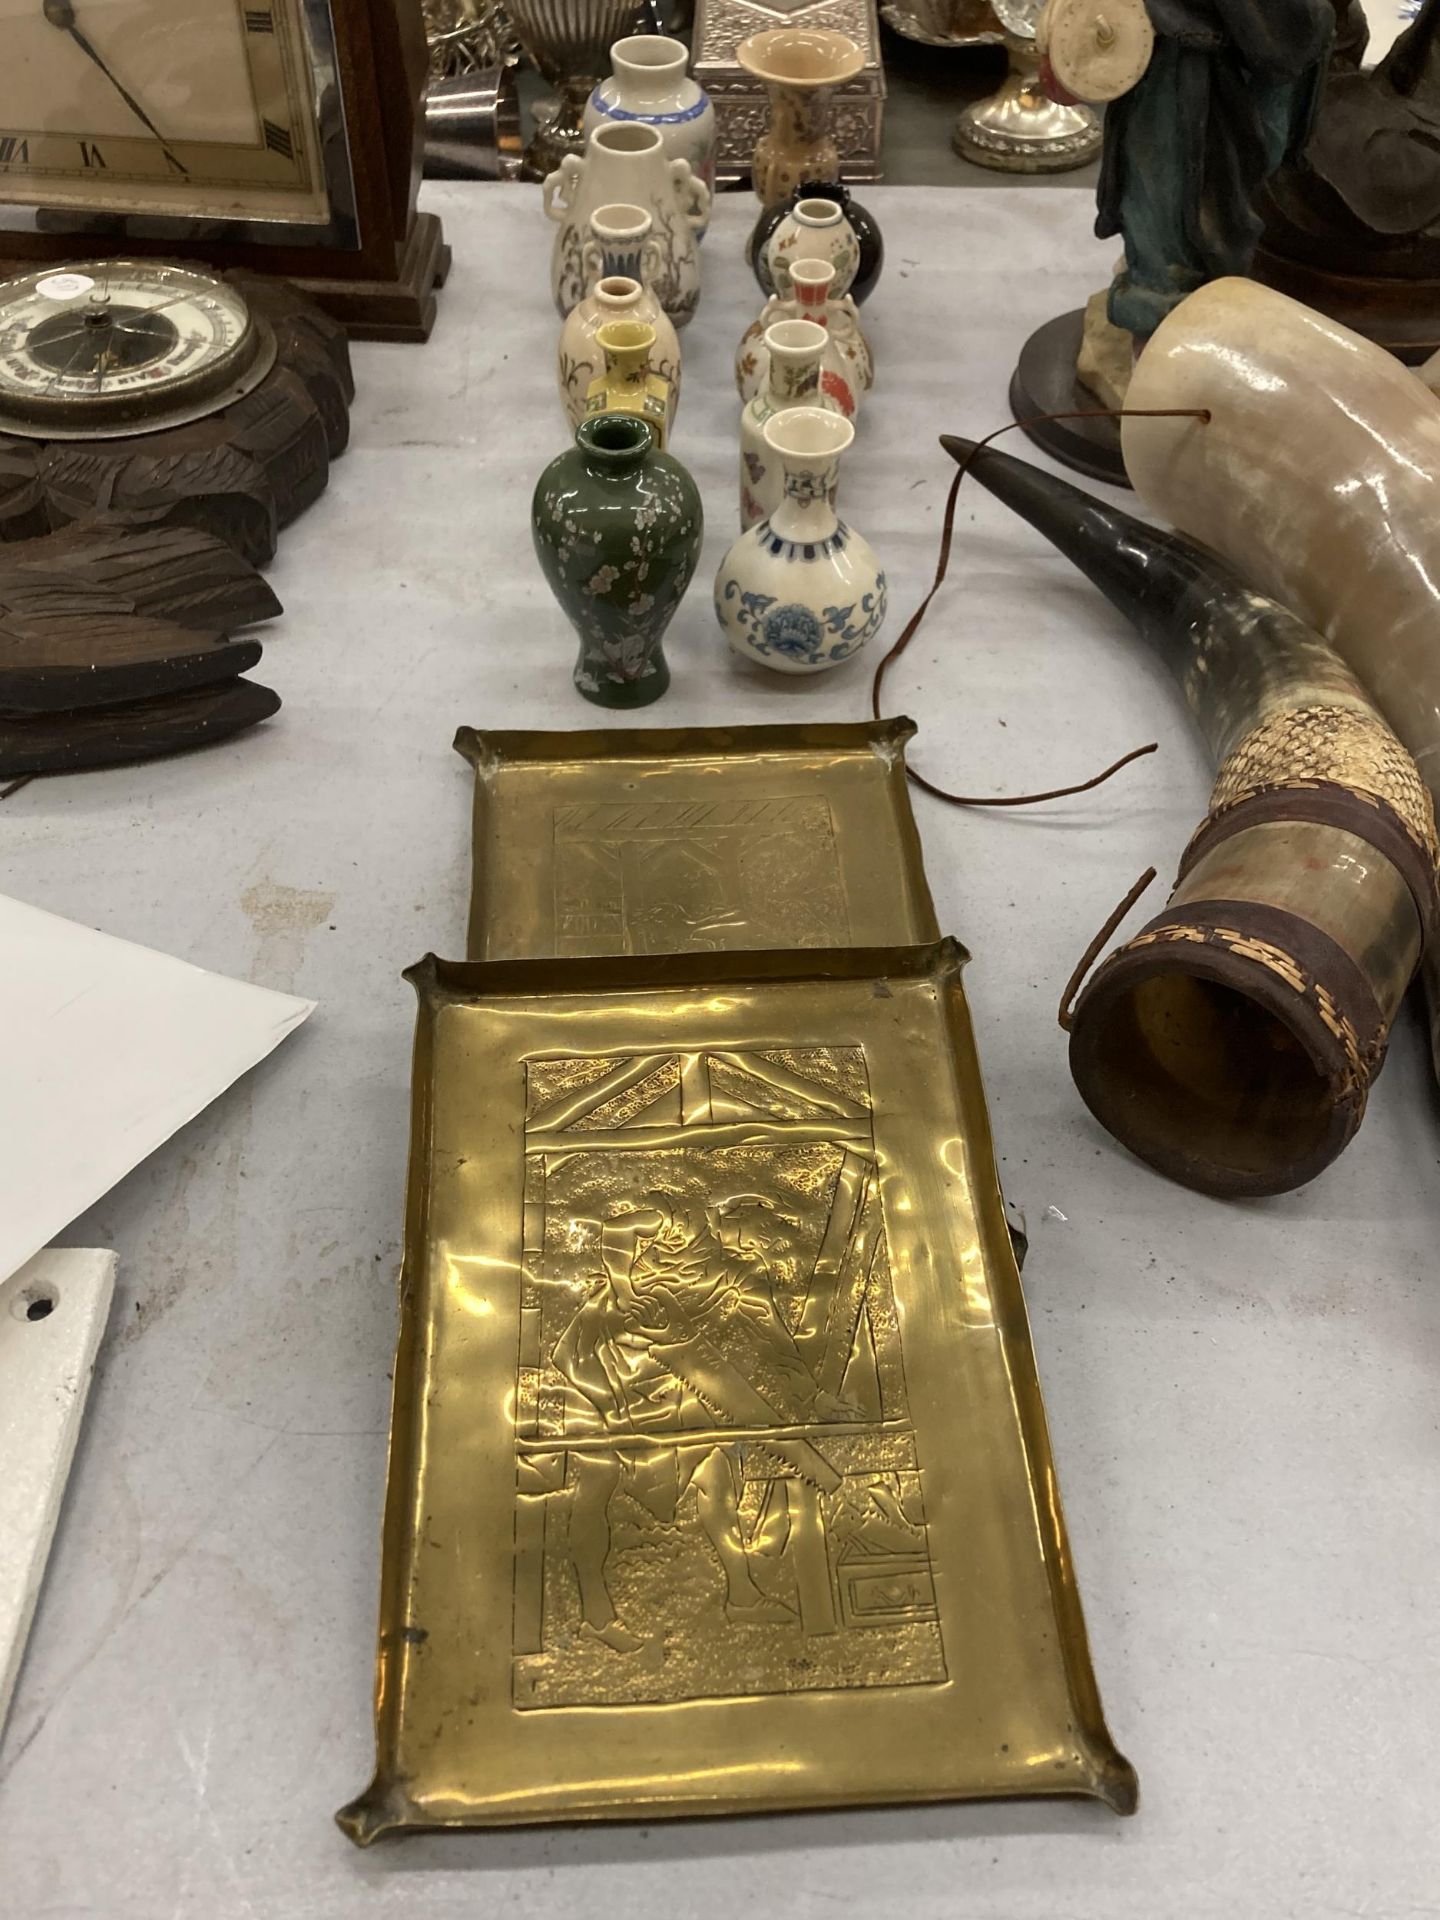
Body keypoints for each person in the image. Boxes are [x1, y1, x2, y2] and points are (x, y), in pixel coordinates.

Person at [1073, 0, 1334, 339]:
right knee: (1163, 200)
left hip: (1219, 59)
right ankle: (1163, 307)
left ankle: (1176, 315)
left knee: (1191, 192)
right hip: (1175, 57)